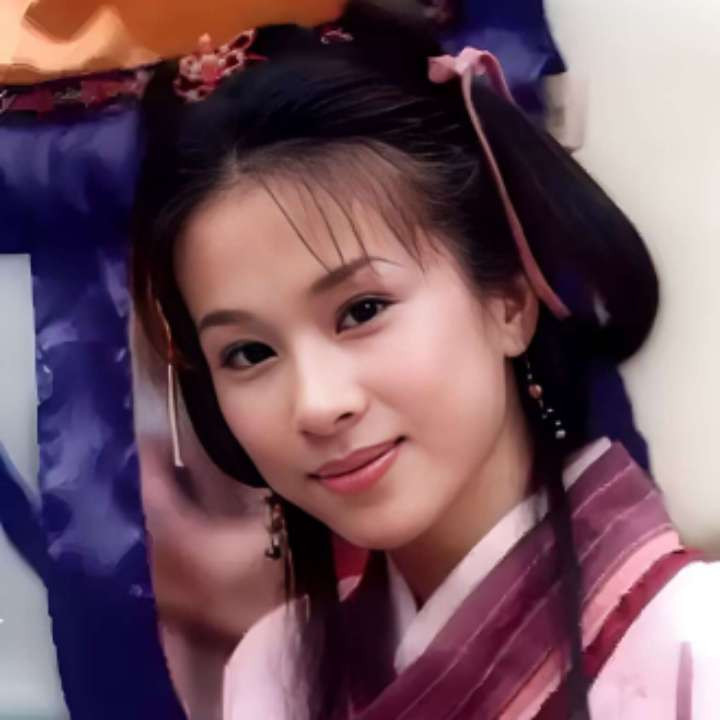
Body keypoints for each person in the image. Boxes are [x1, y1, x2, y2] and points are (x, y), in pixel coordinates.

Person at [131, 2, 720, 718]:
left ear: (508, 300)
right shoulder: (273, 672)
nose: (317, 402)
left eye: (362, 311)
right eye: (248, 353)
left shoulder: (696, 645)